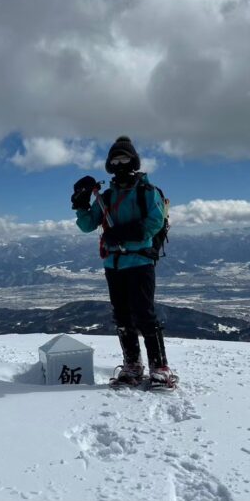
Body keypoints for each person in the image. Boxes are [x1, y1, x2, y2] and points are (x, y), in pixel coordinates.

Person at [71, 136, 176, 389]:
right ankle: (132, 365)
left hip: (140, 262)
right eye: (115, 160)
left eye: (124, 158)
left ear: (134, 161)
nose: (119, 163)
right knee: (122, 316)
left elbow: (155, 222)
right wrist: (80, 204)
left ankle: (159, 367)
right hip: (114, 265)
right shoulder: (106, 198)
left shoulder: (148, 193)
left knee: (144, 314)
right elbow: (87, 225)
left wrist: (124, 233)